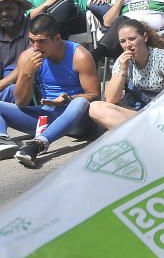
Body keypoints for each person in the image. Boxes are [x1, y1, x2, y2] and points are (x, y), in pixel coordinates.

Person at [0, 15, 99, 166]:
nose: (35, 47)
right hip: (47, 116)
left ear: (57, 38)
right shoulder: (27, 57)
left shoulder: (79, 55)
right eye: (32, 40)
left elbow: (94, 95)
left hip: (76, 119)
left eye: (41, 41)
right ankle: (3, 139)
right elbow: (21, 101)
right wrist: (26, 74)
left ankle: (38, 144)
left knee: (79, 102)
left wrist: (67, 99)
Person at [88, 18, 164, 130]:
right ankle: (142, 133)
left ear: (145, 37)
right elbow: (110, 99)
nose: (128, 45)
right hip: (136, 112)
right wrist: (122, 71)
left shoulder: (162, 57)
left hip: (159, 112)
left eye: (132, 39)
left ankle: (141, 132)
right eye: (123, 41)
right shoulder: (122, 61)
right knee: (94, 107)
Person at [0, 0, 31, 103]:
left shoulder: (34, 30)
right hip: (4, 90)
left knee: (12, 89)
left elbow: (28, 66)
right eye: (0, 10)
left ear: (21, 9)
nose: (4, 14)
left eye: (9, 9)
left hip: (28, 87)